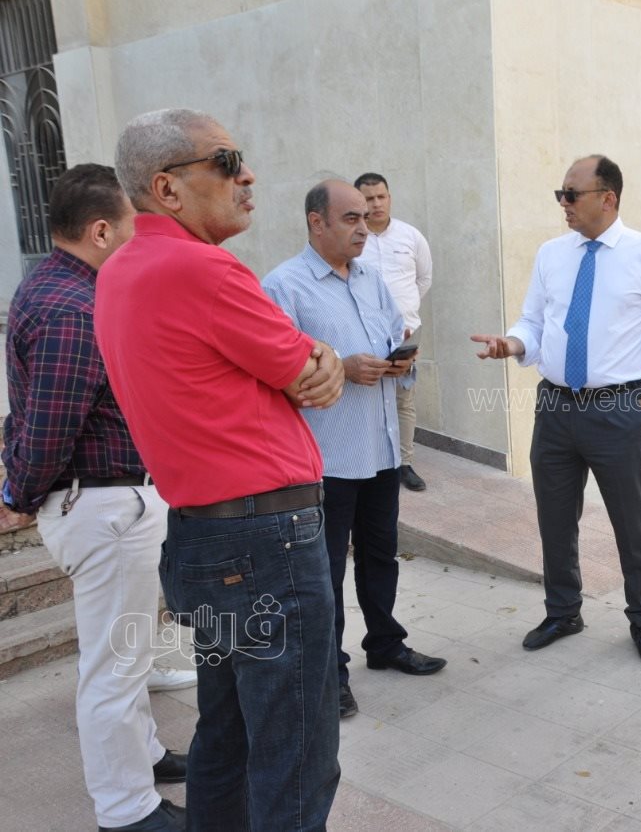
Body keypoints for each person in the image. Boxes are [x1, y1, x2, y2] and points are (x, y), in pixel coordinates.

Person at [95, 109, 345, 832]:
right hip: (266, 541)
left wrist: (309, 360)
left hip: (205, 540)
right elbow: (306, 372)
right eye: (227, 161)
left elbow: (297, 368)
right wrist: (319, 356)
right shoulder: (202, 269)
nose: (248, 175)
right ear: (167, 189)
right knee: (296, 754)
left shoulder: (120, 271)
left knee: (227, 735)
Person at [1, 164, 187, 832]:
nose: (143, 240)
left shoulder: (60, 287)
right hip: (103, 508)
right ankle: (125, 808)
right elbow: (48, 426)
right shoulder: (71, 309)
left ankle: (145, 754)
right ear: (101, 230)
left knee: (125, 652)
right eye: (135, 228)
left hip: (108, 504)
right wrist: (18, 492)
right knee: (114, 665)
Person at [471, 154, 641, 665]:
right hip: (554, 407)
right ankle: (563, 612)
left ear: (608, 198)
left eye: (571, 194)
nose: (563, 204)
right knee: (554, 519)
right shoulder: (552, 254)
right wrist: (512, 344)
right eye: (561, 194)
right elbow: (533, 321)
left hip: (617, 410)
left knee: (632, 524)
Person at [263, 180, 446, 720]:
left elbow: (392, 335)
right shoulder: (284, 286)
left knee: (380, 555)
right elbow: (275, 372)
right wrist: (341, 367)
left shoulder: (371, 279)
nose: (364, 228)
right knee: (324, 573)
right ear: (316, 222)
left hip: (382, 448)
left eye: (366, 217)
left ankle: (386, 644)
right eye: (351, 218)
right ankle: (330, 674)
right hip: (327, 458)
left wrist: (399, 360)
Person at [353, 172, 433, 492]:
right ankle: (369, 462)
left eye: (381, 196)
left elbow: (423, 279)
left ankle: (404, 463)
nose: (376, 204)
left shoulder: (411, 236)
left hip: (405, 334)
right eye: (368, 199)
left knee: (403, 400)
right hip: (363, 334)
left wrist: (404, 312)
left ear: (389, 198)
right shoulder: (354, 240)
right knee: (365, 399)